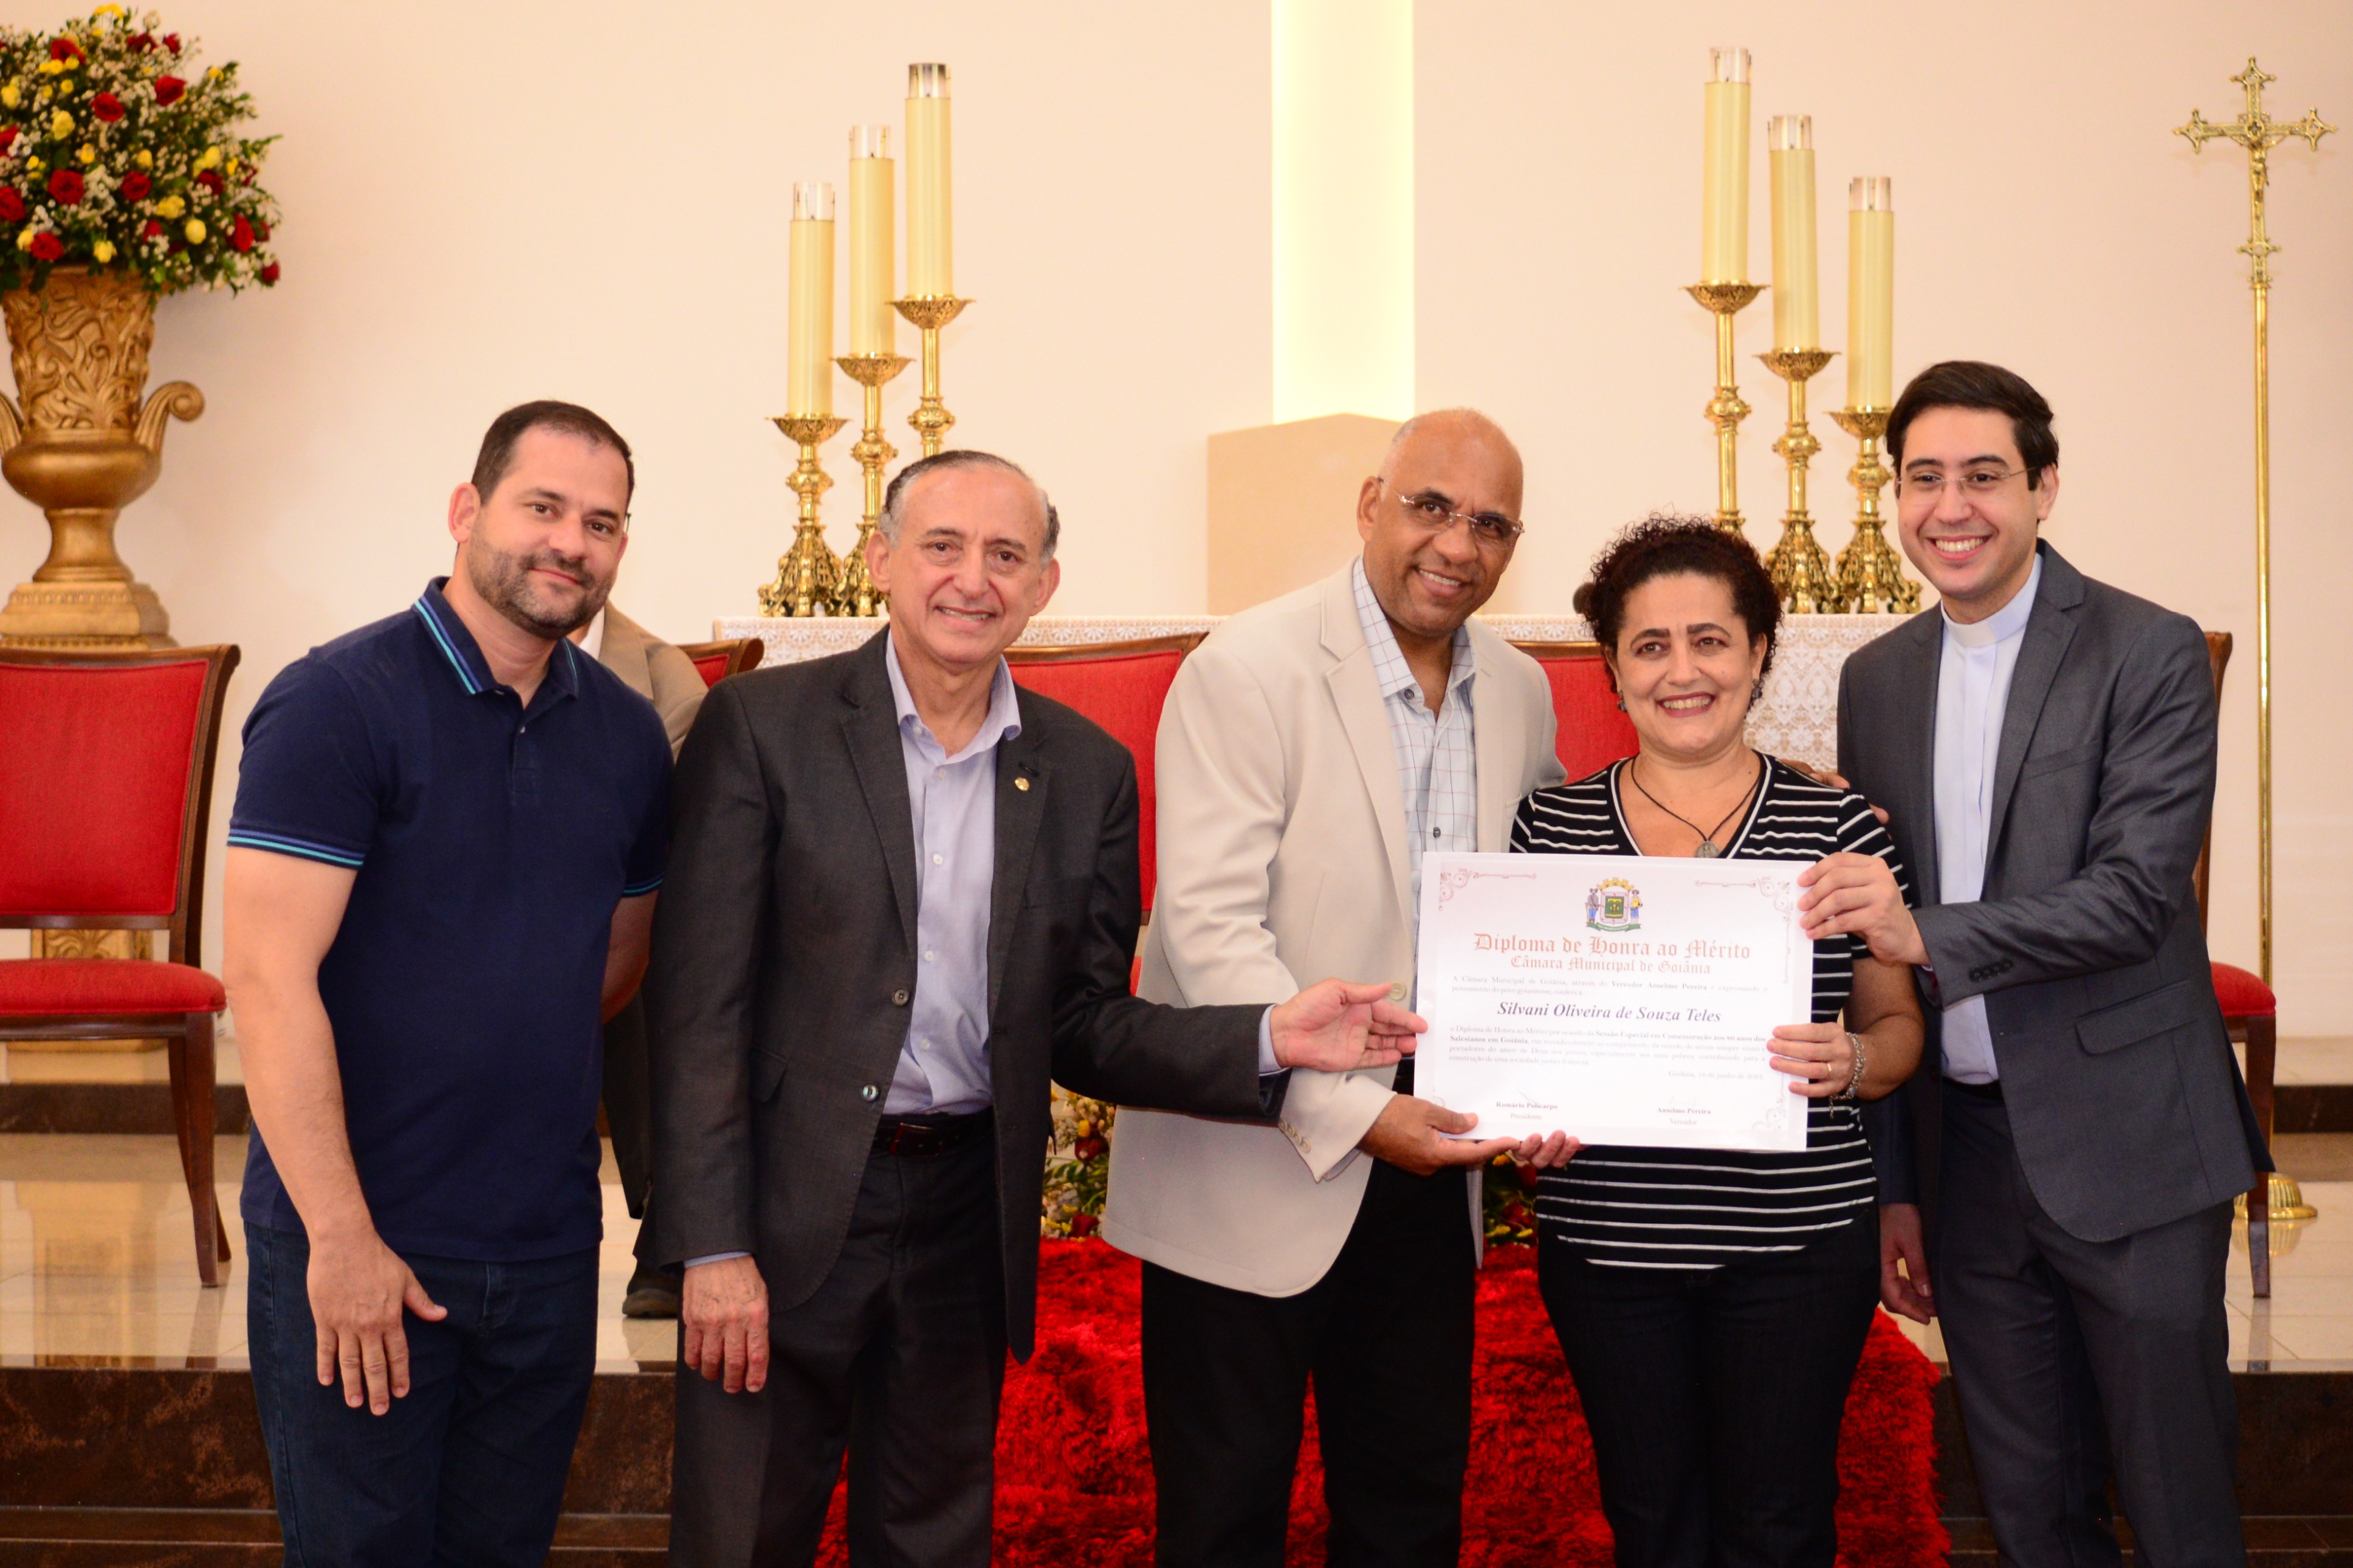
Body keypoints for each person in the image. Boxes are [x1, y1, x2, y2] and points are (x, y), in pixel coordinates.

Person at [641, 447, 1427, 1568]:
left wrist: (1266, 1035)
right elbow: (698, 1008)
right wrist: (712, 1244)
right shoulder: (765, 728)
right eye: (943, 547)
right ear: (881, 560)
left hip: (966, 1213)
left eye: (1006, 555)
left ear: (1045, 585)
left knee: (932, 1541)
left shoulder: (1085, 770)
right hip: (783, 1210)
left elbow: (1083, 1023)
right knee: (741, 1538)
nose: (974, 580)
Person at [1808, 360, 2269, 1568]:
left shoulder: (2146, 649)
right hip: (1964, 1155)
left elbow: (2134, 898)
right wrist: (1897, 1181)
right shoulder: (1876, 678)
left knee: (2176, 1506)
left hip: (2130, 1140)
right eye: (1922, 479)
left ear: (2043, 488)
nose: (1949, 507)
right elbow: (1875, 966)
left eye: (1983, 476)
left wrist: (1925, 931)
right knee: (2028, 1513)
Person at [1104, 409, 1576, 1567]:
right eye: (1431, 507)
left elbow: (1554, 893)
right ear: (1371, 504)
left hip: (1434, 1161)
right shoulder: (1247, 667)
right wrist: (1359, 1115)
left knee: (1408, 1510)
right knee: (1222, 1523)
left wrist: (1760, 806)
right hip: (1249, 1158)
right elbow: (1207, 930)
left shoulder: (1521, 690)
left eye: (1491, 524)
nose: (1457, 544)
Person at [221, 402, 672, 1567]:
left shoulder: (629, 739)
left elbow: (612, 965)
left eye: (602, 523)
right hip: (368, 1240)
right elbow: (266, 982)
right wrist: (341, 1238)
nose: (570, 542)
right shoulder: (338, 701)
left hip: (545, 1246)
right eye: (542, 507)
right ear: (468, 511)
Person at [1511, 516, 1923, 1568]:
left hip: (1797, 1245)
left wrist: (1853, 1063)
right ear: (1612, 670)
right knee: (1650, 1521)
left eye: (1710, 640)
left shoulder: (1837, 827)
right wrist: (1523, 1118)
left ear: (1758, 653)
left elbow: (1896, 1029)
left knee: (1778, 1524)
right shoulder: (1548, 832)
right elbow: (1522, 1034)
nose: (1682, 671)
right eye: (1650, 645)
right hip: (1608, 1244)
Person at [574, 600, 708, 1319]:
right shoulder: (429, 667)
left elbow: (663, 827)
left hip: (614, 899)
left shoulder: (663, 676)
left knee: (655, 940)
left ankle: (665, 1222)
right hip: (471, 917)